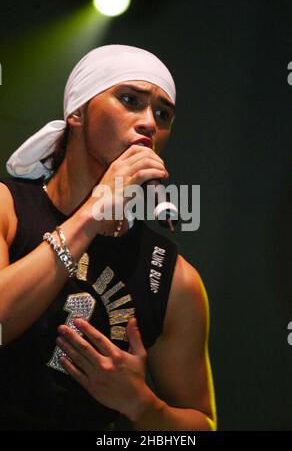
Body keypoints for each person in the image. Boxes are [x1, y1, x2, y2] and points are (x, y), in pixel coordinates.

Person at [0, 45, 216, 431]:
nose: (149, 122)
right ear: (77, 112)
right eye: (130, 100)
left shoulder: (175, 280)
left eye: (162, 113)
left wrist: (143, 405)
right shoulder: (7, 207)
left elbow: (201, 427)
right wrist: (93, 214)